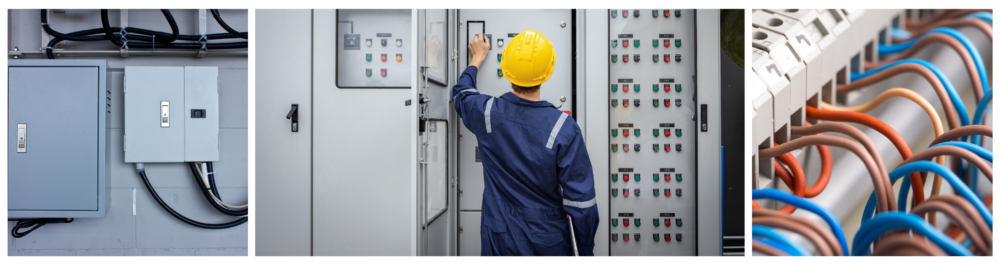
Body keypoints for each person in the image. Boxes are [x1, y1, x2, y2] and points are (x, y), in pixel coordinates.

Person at [452, 30, 598, 256]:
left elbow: (461, 94)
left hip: (498, 239)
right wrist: (585, 251)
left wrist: (476, 59)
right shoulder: (564, 128)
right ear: (547, 72)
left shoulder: (487, 113)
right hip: (548, 242)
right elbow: (582, 205)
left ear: (507, 70)